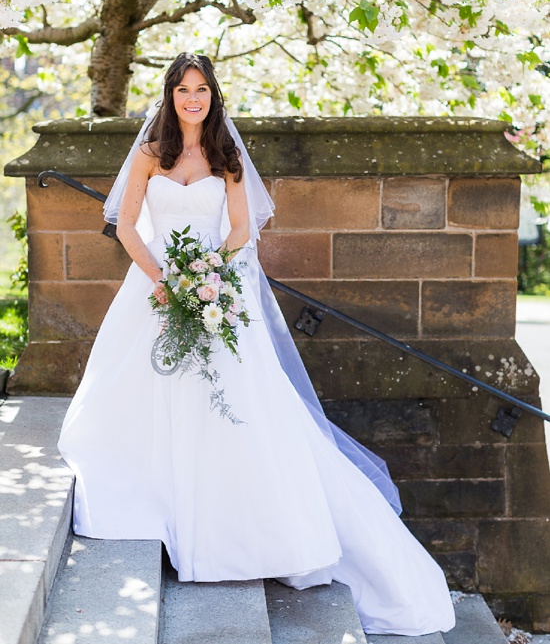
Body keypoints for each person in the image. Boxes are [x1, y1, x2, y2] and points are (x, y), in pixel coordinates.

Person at [58, 52, 456, 636]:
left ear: (213, 96)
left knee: (236, 411)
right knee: (148, 401)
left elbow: (242, 230)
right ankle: (166, 514)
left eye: (202, 90)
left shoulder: (227, 157)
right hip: (156, 290)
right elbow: (125, 224)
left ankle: (235, 534)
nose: (192, 99)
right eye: (183, 90)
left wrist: (208, 276)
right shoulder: (149, 153)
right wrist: (166, 280)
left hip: (217, 293)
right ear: (169, 96)